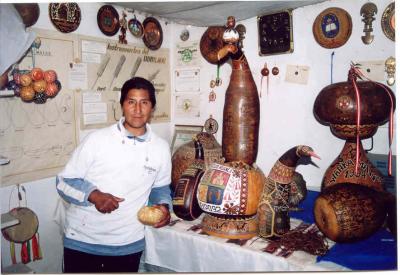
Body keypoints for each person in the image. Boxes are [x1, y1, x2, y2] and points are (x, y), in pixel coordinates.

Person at [56, 77, 172, 273]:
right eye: (131, 102)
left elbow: (159, 188)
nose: (137, 109)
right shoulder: (97, 140)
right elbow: (63, 182)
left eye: (144, 102)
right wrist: (94, 195)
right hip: (83, 242)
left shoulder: (160, 148)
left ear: (152, 107)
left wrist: (163, 206)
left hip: (128, 244)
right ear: (122, 105)